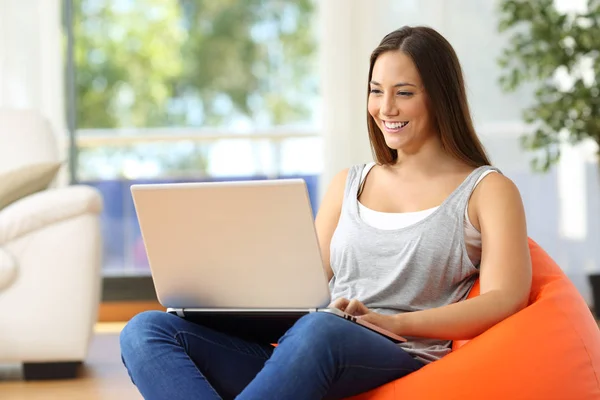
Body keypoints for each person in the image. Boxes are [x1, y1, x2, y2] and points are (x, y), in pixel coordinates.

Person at [120, 25, 533, 400]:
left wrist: (398, 324)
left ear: (440, 96)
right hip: (309, 348)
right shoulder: (348, 183)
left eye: (404, 92)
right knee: (144, 331)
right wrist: (228, 300)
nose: (385, 108)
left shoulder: (487, 190)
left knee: (322, 330)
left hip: (399, 352)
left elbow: (505, 298)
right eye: (375, 91)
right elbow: (308, 286)